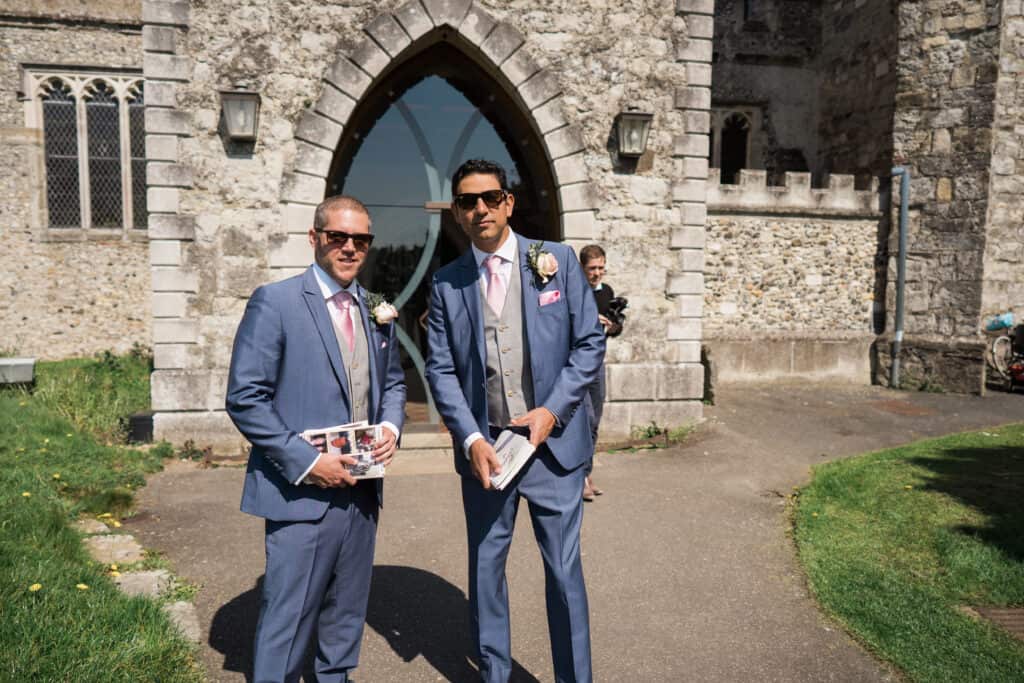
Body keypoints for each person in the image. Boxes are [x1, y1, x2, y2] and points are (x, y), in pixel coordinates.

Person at [425, 159, 605, 683]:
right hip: (489, 452)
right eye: (466, 201)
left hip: (552, 447)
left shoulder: (557, 261)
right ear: (457, 213)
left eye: (488, 198)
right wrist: (471, 437)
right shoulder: (445, 284)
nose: (478, 208)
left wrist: (552, 411)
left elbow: (589, 344)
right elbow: (440, 368)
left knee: (565, 573)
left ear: (508, 202)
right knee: (485, 573)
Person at [225, 195, 406, 683]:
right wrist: (308, 462)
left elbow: (392, 383)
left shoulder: (375, 308)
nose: (349, 248)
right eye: (337, 237)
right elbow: (245, 397)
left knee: (345, 620)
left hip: (363, 493)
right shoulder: (276, 301)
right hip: (300, 494)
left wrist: (390, 427)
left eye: (360, 240)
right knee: (288, 623)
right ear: (314, 238)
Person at [579, 244, 623, 501]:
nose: (597, 273)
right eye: (592, 268)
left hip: (598, 363)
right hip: (577, 364)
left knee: (595, 421)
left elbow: (616, 328)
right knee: (584, 420)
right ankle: (580, 478)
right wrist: (591, 321)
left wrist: (614, 325)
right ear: (582, 268)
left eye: (601, 268)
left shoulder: (606, 292)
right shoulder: (576, 291)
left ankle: (587, 472)